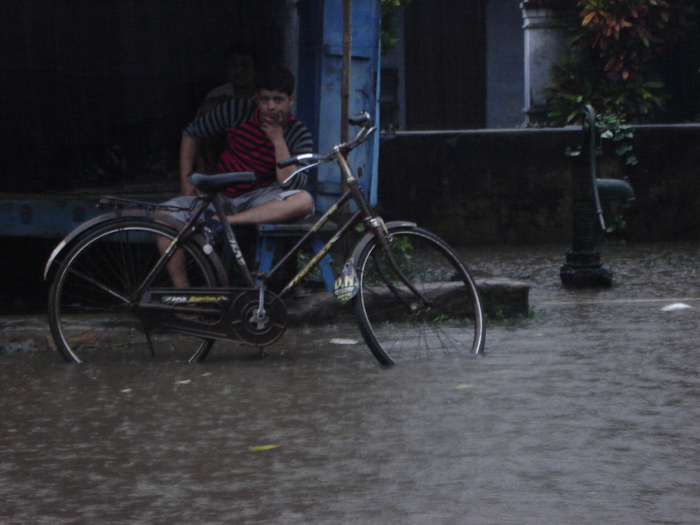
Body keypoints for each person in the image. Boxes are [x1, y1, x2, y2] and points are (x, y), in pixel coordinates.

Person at [160, 65, 314, 287]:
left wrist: (278, 139)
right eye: (265, 99)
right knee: (164, 214)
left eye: (278, 100)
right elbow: (191, 133)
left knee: (303, 201)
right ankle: (184, 297)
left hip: (260, 197)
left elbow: (289, 183)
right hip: (220, 194)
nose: (270, 106)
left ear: (290, 100)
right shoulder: (237, 111)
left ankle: (224, 223)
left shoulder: (299, 133)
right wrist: (185, 180)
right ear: (257, 98)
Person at [196, 46, 257, 172]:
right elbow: (197, 135)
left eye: (245, 65)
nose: (239, 70)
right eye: (233, 65)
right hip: (223, 158)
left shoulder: (265, 94)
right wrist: (202, 169)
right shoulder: (217, 95)